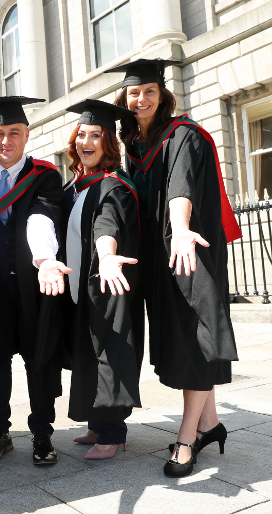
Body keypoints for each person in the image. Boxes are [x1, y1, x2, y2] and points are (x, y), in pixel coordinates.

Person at [106, 58, 241, 477]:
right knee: (185, 335)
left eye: (149, 91)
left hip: (189, 250)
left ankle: (187, 440)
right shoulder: (136, 144)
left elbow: (180, 186)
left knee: (197, 337)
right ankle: (210, 423)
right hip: (162, 254)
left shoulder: (182, 134)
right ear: (125, 99)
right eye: (134, 93)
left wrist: (180, 229)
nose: (141, 98)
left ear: (163, 93)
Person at [0, 96, 64, 465]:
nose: (5, 141)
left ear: (27, 135)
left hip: (35, 285)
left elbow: (41, 219)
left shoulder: (45, 176)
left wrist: (44, 261)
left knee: (39, 359)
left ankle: (42, 434)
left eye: (13, 133)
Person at [44, 99, 143, 460]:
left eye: (96, 135)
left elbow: (107, 224)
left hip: (108, 287)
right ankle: (97, 424)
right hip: (84, 289)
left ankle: (113, 433)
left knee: (109, 353)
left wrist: (106, 255)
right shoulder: (78, 186)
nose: (87, 141)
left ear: (108, 144)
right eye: (82, 134)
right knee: (89, 352)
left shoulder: (113, 187)